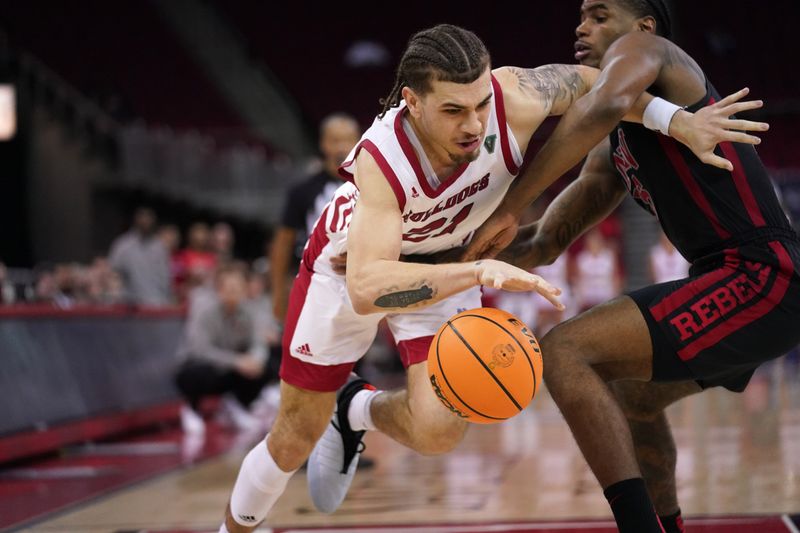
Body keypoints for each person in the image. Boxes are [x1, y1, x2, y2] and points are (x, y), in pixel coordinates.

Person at [218, 23, 763, 533]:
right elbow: (366, 287)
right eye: (454, 110)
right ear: (412, 102)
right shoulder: (383, 162)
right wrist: (476, 270)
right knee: (291, 439)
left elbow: (600, 87)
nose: (475, 123)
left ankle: (353, 408)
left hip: (444, 260)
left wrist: (675, 119)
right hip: (353, 271)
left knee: (438, 430)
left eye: (480, 103)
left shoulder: (516, 96)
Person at [465, 2, 800, 532]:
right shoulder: (615, 142)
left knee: (564, 349)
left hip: (759, 273)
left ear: (643, 25)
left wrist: (510, 204)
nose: (581, 27)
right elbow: (546, 241)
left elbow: (603, 102)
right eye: (580, 16)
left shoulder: (652, 52)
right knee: (630, 399)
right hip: (730, 280)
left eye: (600, 15)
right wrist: (446, 259)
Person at [269, 113, 361, 323]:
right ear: (323, 143)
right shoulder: (302, 191)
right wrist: (277, 292)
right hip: (313, 283)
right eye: (335, 140)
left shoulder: (373, 185)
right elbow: (282, 244)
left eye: (348, 140)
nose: (341, 147)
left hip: (359, 284)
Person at [174, 266, 269, 435]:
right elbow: (200, 350)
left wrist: (256, 359)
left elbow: (258, 343)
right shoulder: (204, 311)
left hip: (228, 368)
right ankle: (191, 409)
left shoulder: (248, 312)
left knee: (264, 367)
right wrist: (236, 361)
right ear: (219, 289)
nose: (233, 291)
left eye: (237, 287)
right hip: (200, 365)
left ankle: (238, 405)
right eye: (229, 287)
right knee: (196, 373)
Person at [108, 207, 172, 306]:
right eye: (143, 218)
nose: (146, 222)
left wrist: (167, 299)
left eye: (148, 219)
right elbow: (113, 273)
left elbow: (165, 277)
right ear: (136, 220)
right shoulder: (123, 245)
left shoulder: (159, 246)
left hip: (157, 304)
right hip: (131, 307)